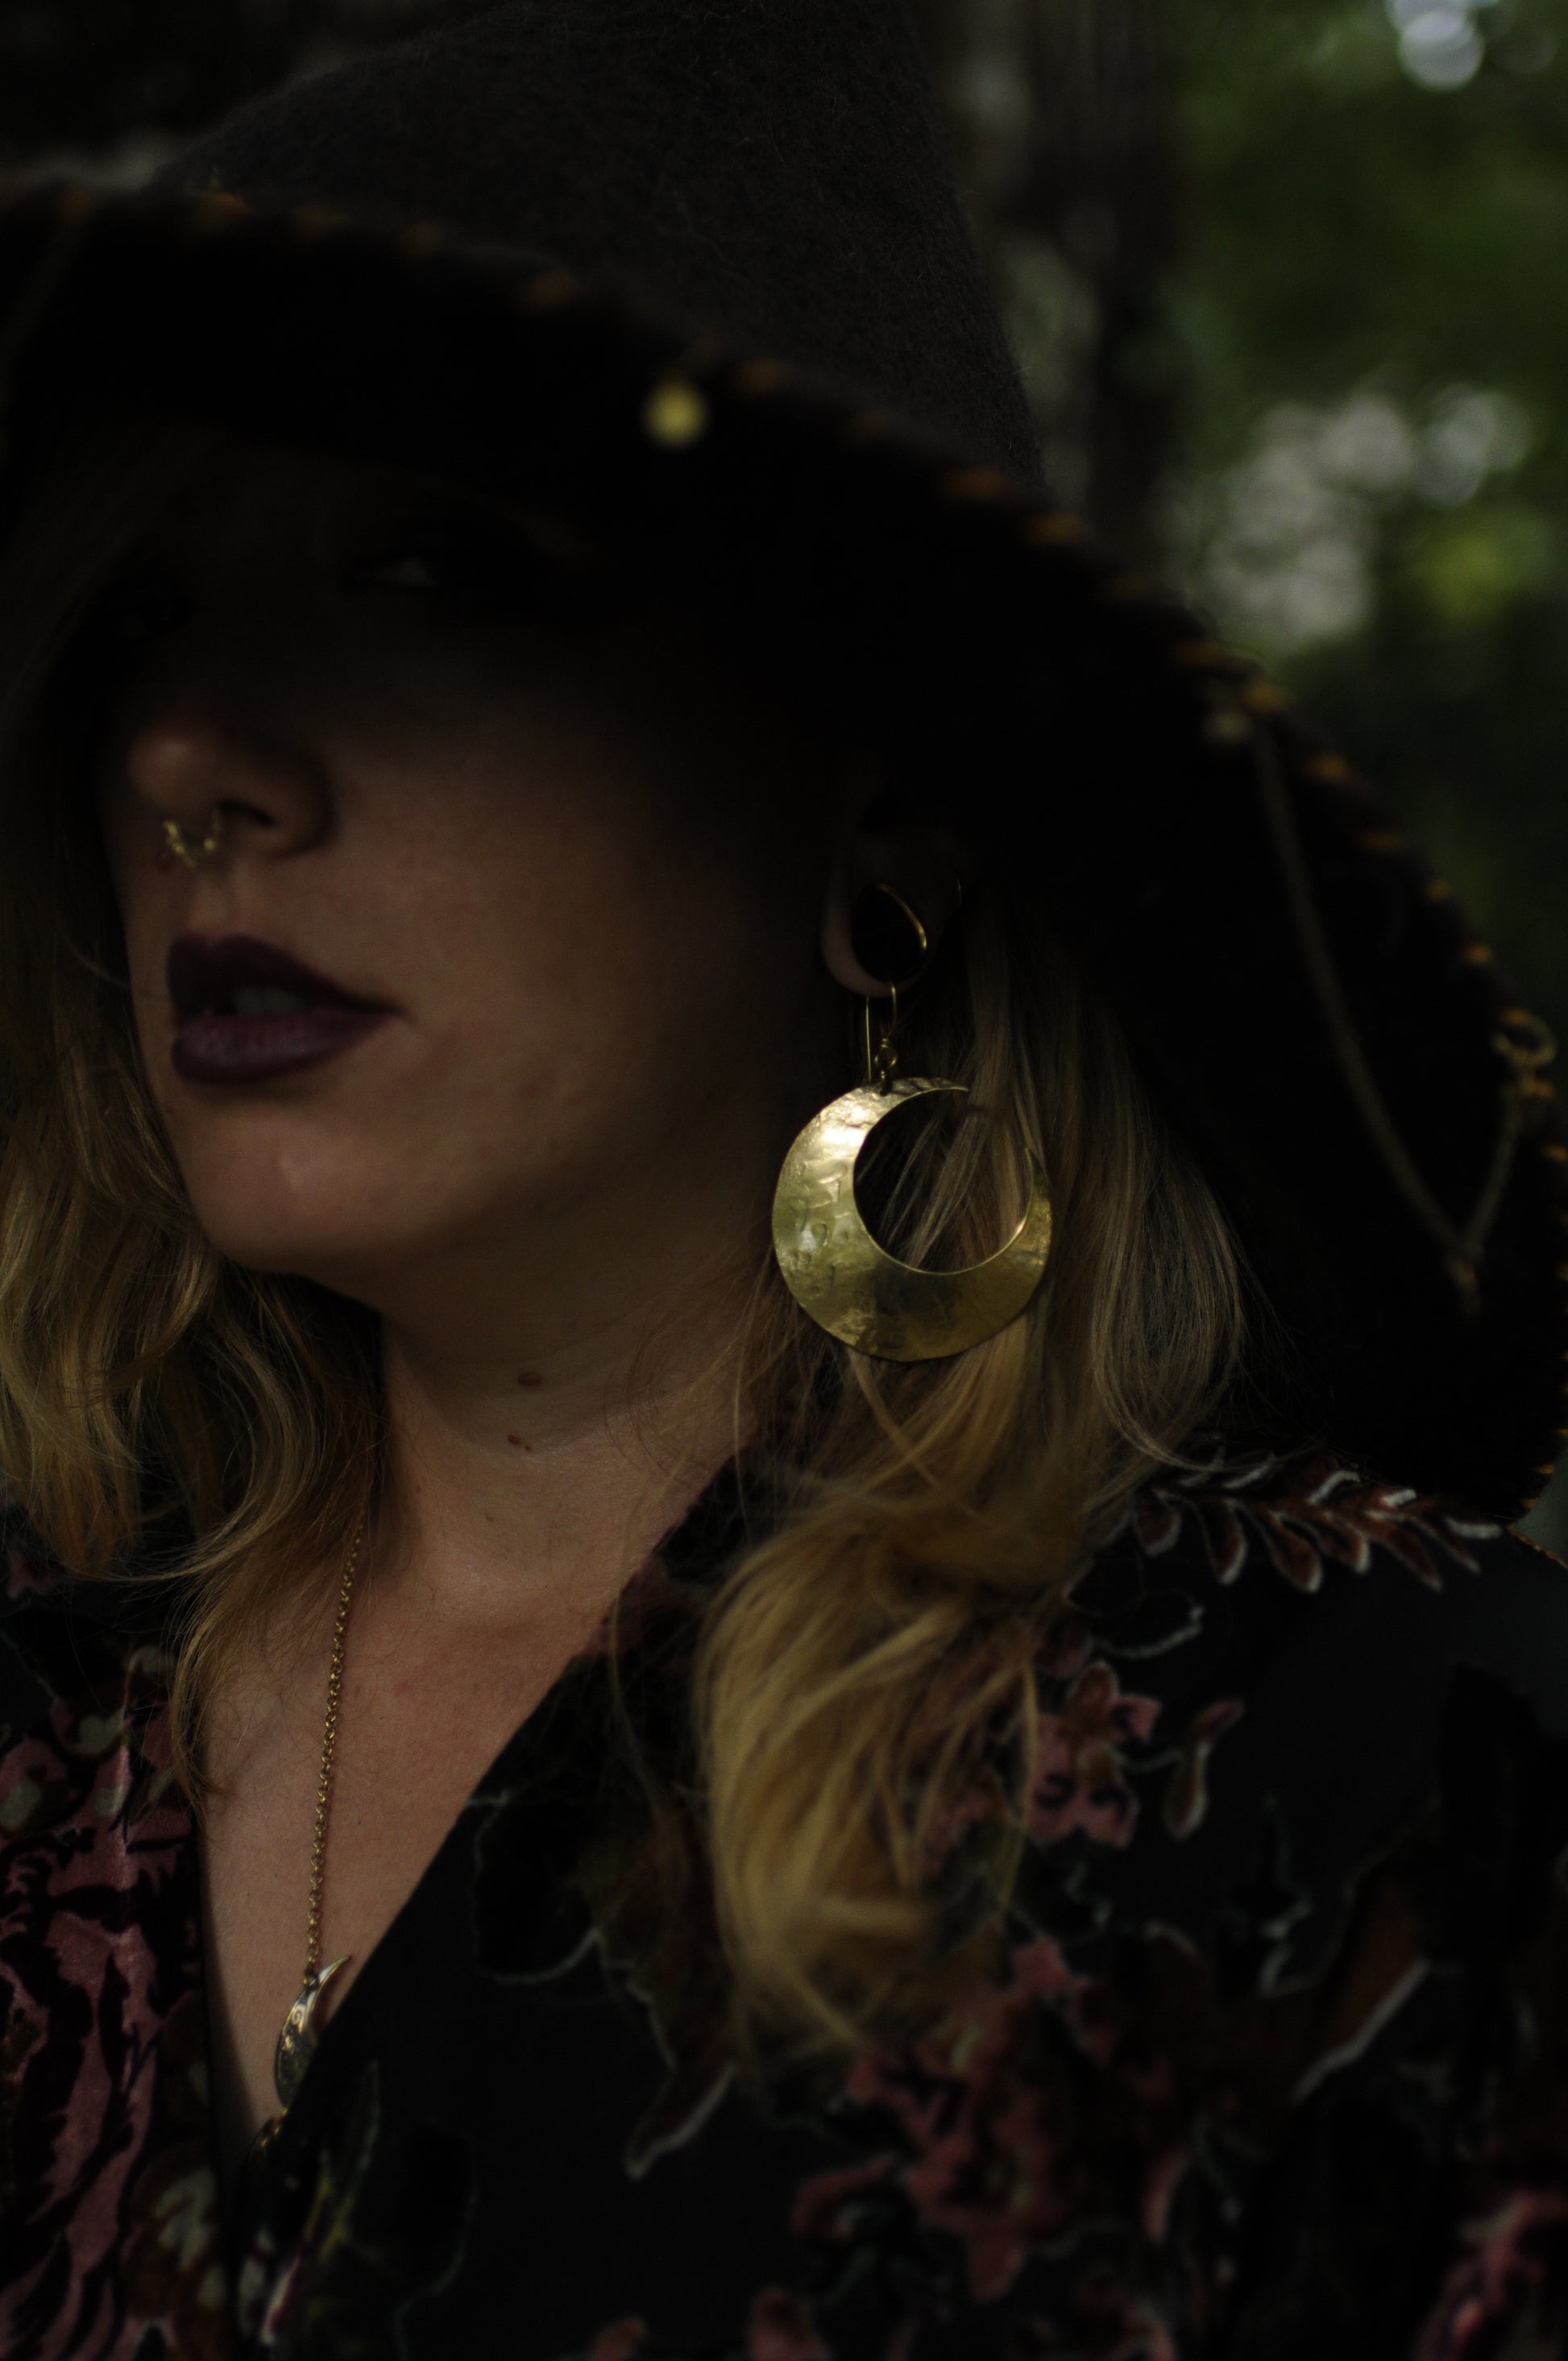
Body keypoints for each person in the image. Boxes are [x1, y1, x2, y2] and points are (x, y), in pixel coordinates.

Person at [2, 4, 1567, 2355]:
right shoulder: (51, 1670)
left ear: (889, 808)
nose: (190, 756)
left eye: (430, 571)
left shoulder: (1381, 1770)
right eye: (144, 614)